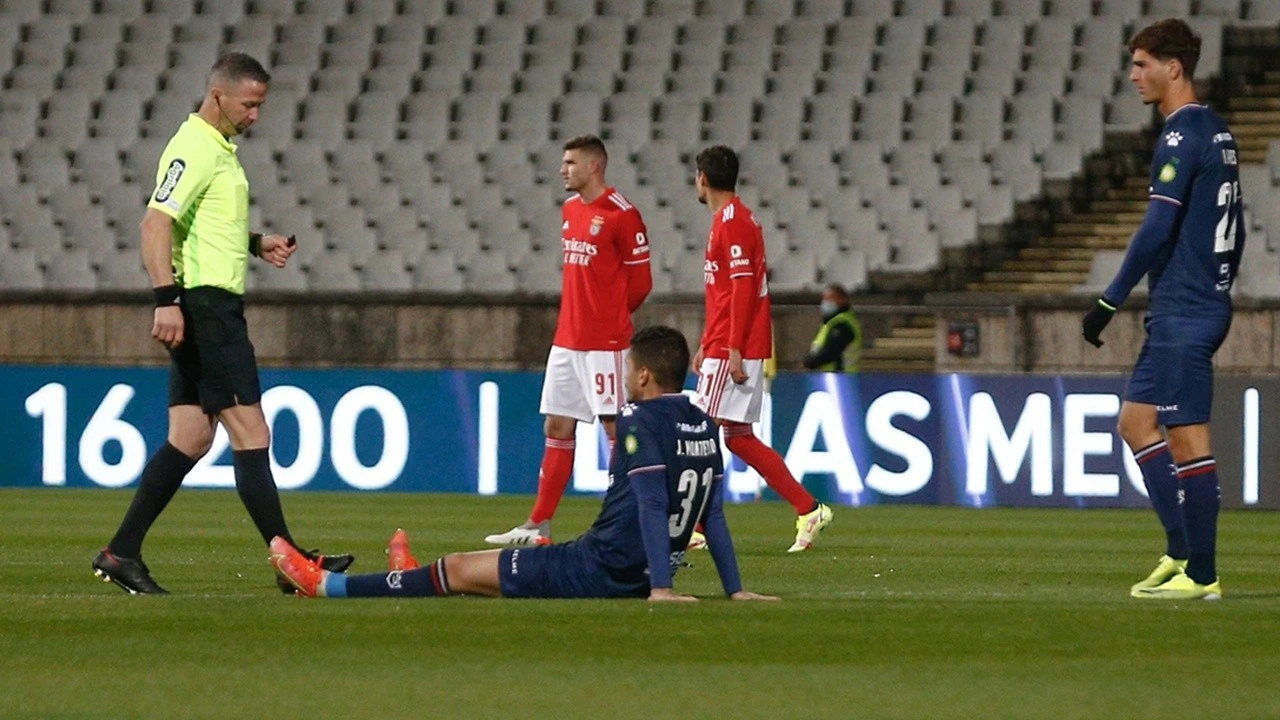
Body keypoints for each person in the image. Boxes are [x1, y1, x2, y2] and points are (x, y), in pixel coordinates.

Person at [91, 53, 352, 595]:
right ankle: (290, 563)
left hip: (208, 303)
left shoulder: (218, 151)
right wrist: (166, 299)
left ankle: (122, 551)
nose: (257, 115)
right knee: (252, 431)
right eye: (250, 104)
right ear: (218, 96)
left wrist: (256, 243)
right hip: (205, 308)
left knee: (189, 438)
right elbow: (154, 222)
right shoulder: (193, 146)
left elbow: (198, 223)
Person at [271, 326, 777, 603]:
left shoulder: (638, 420)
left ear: (643, 375)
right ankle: (409, 578)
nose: (622, 379)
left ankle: (328, 586)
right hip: (633, 574)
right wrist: (735, 590)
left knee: (456, 569)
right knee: (467, 576)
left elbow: (648, 503)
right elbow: (711, 515)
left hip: (593, 569)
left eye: (627, 370)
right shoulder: (704, 421)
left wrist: (662, 591)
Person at [1081, 19, 1241, 601]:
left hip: (1185, 310)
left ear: (1174, 68)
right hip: (1189, 304)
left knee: (1188, 437)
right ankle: (1179, 551)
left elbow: (1157, 228)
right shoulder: (1218, 131)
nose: (1133, 75)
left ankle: (1203, 575)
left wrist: (1108, 298)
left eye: (1143, 63)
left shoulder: (1180, 135)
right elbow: (1235, 224)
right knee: (1137, 423)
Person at [484, 135, 653, 546]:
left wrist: (609, 319)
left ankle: (628, 518)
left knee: (615, 428)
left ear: (594, 166)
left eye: (571, 162)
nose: (563, 169)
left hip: (605, 344)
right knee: (557, 424)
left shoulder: (621, 214)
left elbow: (641, 283)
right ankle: (538, 525)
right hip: (567, 340)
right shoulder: (571, 209)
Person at [690, 145, 833, 553]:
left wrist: (731, 347)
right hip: (725, 343)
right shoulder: (730, 220)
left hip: (734, 346)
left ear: (703, 177)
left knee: (699, 433)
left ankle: (696, 527)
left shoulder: (733, 222)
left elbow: (742, 288)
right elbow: (721, 294)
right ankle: (809, 508)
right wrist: (706, 342)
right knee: (737, 436)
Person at [803, 283, 862, 373]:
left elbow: (831, 352)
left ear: (843, 299)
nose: (825, 302)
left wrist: (809, 362)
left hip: (841, 376)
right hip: (829, 377)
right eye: (824, 299)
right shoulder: (829, 323)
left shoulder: (843, 323)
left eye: (830, 298)